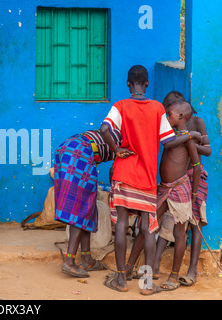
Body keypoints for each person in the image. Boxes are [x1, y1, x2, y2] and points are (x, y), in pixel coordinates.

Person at [100, 65, 183, 295]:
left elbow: (104, 128)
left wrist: (116, 149)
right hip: (146, 177)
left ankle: (120, 279)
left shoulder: (120, 106)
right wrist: (188, 136)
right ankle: (146, 284)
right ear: (147, 84)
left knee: (122, 225)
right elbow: (168, 140)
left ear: (128, 84)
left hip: (124, 173)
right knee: (149, 229)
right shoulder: (157, 108)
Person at [153, 91, 211, 287]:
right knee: (167, 224)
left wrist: (190, 141)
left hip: (194, 179)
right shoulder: (174, 128)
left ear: (180, 112)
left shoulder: (197, 123)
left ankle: (192, 269)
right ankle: (154, 265)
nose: (167, 117)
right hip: (176, 182)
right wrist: (186, 138)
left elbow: (208, 150)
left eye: (169, 112)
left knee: (193, 225)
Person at [54, 128, 123, 278]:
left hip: (68, 148)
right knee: (79, 208)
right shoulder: (125, 142)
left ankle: (87, 259)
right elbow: (114, 170)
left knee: (87, 206)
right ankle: (70, 262)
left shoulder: (114, 132)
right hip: (78, 153)